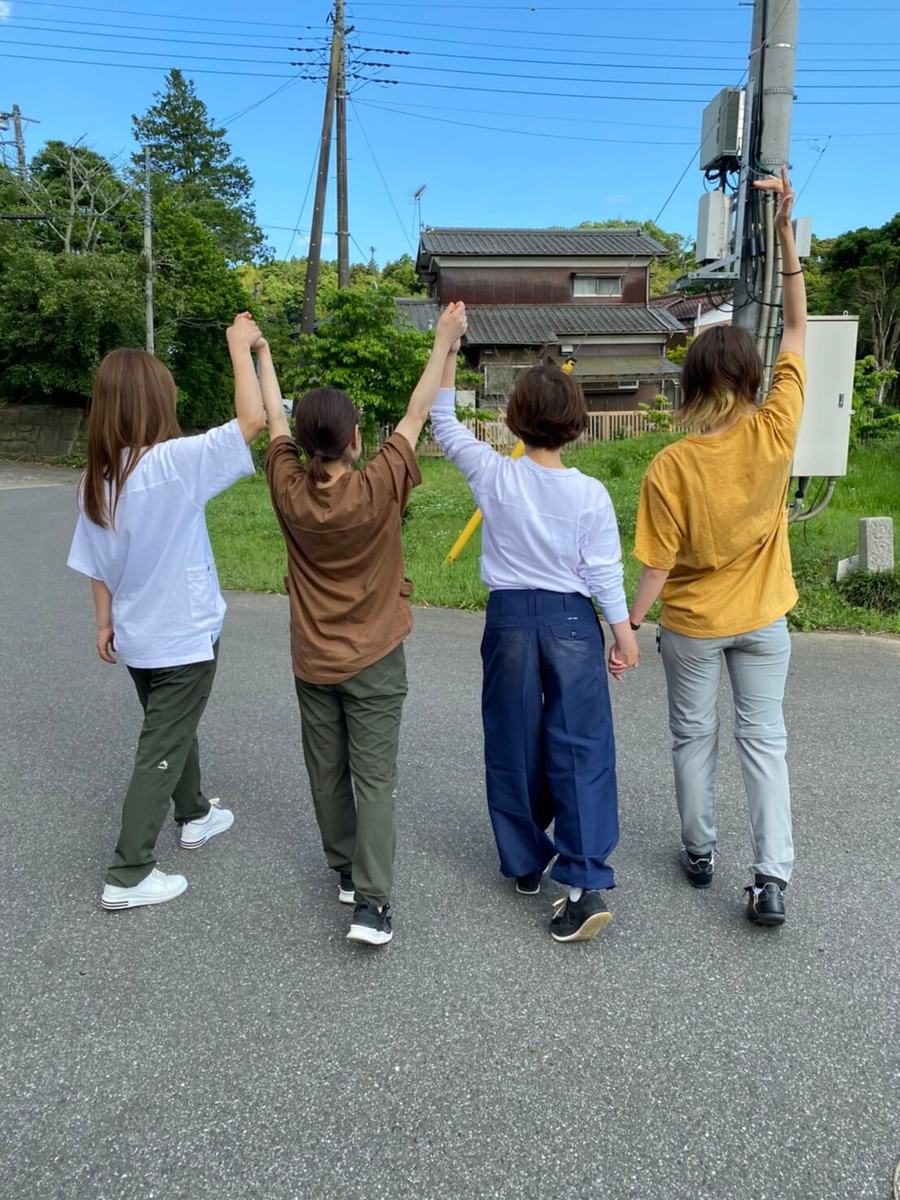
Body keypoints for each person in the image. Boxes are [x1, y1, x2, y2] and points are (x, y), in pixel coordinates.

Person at [627, 167, 806, 927]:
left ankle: (700, 851)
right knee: (765, 743)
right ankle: (771, 879)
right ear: (751, 377)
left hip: (694, 626)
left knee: (692, 738)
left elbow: (658, 564)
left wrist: (627, 626)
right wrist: (784, 233)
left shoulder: (672, 465)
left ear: (694, 383)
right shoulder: (777, 429)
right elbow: (796, 329)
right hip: (765, 619)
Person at [259, 302, 469, 948]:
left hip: (312, 660)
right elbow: (415, 412)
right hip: (375, 657)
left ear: (305, 443)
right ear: (355, 438)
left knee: (326, 773)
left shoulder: (288, 489)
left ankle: (347, 870)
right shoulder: (378, 487)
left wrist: (261, 355)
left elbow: (274, 420)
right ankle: (372, 907)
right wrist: (444, 342)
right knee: (374, 780)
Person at [430, 353, 639, 943]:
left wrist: (449, 349)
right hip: (572, 620)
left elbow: (443, 421)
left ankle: (525, 860)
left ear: (514, 419)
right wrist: (623, 635)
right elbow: (603, 572)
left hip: (511, 621)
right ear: (576, 422)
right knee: (582, 747)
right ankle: (582, 885)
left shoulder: (495, 475)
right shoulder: (590, 493)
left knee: (512, 740)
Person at [67, 314, 266, 910]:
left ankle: (195, 813)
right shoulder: (174, 463)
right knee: (161, 743)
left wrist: (103, 623)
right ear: (157, 401)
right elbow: (253, 421)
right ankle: (128, 872)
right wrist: (239, 346)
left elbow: (97, 564)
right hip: (183, 634)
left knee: (171, 726)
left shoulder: (98, 479)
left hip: (136, 635)